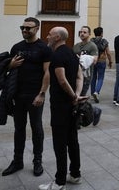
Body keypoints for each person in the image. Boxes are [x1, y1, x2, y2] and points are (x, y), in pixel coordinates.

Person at [2, 17, 52, 177]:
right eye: (22, 27)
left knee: (36, 128)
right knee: (19, 128)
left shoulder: (44, 48)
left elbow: (47, 73)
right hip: (18, 94)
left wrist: (42, 94)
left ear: (37, 28)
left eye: (28, 28)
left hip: (35, 95)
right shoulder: (16, 47)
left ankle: (37, 161)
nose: (24, 30)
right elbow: (8, 70)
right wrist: (10, 65)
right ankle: (17, 161)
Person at [39, 27, 87, 190]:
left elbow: (61, 80)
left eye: (50, 34)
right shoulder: (71, 53)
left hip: (61, 106)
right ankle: (75, 174)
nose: (47, 36)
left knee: (60, 143)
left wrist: (73, 96)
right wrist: (77, 95)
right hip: (72, 105)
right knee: (72, 140)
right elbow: (80, 76)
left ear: (57, 37)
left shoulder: (57, 55)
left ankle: (59, 182)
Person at [73, 26, 98, 97]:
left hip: (86, 75)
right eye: (81, 32)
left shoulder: (92, 46)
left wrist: (82, 59)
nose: (82, 34)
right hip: (75, 73)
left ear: (89, 34)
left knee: (82, 94)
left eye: (84, 32)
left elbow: (95, 60)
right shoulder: (76, 46)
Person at [90, 27, 113, 103]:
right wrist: (110, 61)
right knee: (100, 77)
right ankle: (96, 92)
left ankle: (92, 93)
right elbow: (108, 53)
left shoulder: (91, 41)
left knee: (93, 77)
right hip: (102, 61)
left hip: (93, 60)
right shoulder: (104, 41)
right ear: (101, 33)